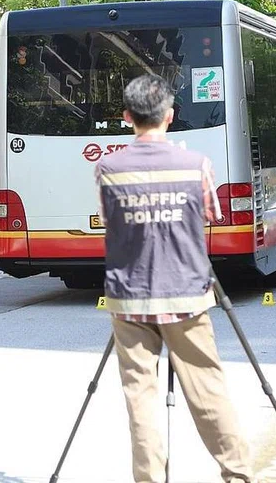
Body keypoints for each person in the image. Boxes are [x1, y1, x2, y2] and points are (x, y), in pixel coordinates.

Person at [95, 74, 253, 483]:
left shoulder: (108, 169)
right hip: (187, 294)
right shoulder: (196, 164)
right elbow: (211, 216)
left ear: (127, 116)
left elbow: (110, 222)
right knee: (208, 392)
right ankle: (238, 475)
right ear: (170, 115)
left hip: (129, 299)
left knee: (140, 401)